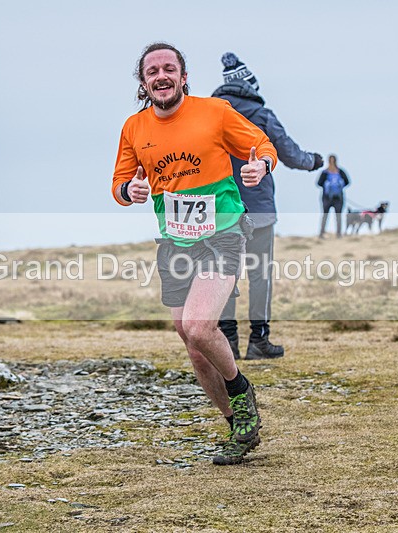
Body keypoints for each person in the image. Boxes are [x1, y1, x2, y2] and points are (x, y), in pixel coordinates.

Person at [111, 43, 277, 465]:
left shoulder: (215, 112)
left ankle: (241, 392)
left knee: (200, 325)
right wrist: (130, 190)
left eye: (169, 68)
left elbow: (261, 145)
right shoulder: (134, 127)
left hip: (222, 233)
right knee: (193, 344)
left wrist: (261, 166)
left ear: (183, 77)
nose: (161, 76)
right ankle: (238, 426)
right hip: (174, 242)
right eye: (152, 71)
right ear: (144, 82)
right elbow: (119, 185)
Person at [212, 52, 323, 361]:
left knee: (225, 275)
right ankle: (259, 340)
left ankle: (228, 341)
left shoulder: (210, 114)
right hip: (258, 208)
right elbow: (290, 154)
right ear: (250, 85)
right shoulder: (261, 115)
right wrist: (314, 161)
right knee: (260, 274)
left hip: (220, 209)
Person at [317, 154, 350, 237]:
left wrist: (338, 187)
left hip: (337, 198)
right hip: (328, 197)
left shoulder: (340, 172)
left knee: (337, 216)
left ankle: (338, 234)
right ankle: (322, 233)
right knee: (326, 216)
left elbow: (347, 181)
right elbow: (319, 183)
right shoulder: (325, 173)